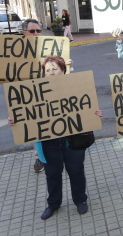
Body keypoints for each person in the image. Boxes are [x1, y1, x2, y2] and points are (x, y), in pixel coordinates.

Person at [8, 55, 102, 220]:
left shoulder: (76, 88)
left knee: (76, 172)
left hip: (72, 141)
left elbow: (86, 106)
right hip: (49, 143)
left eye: (55, 69)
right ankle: (53, 204)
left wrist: (95, 115)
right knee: (52, 174)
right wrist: (16, 120)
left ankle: (80, 200)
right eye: (48, 70)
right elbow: (27, 114)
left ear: (63, 70)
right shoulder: (35, 92)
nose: (51, 73)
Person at [21, 19, 74, 173]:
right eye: (32, 31)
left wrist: (68, 66)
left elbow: (59, 68)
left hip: (54, 95)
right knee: (37, 124)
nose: (36, 33)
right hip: (32, 96)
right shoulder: (18, 52)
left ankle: (64, 146)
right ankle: (39, 155)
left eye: (38, 30)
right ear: (24, 33)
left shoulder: (49, 47)